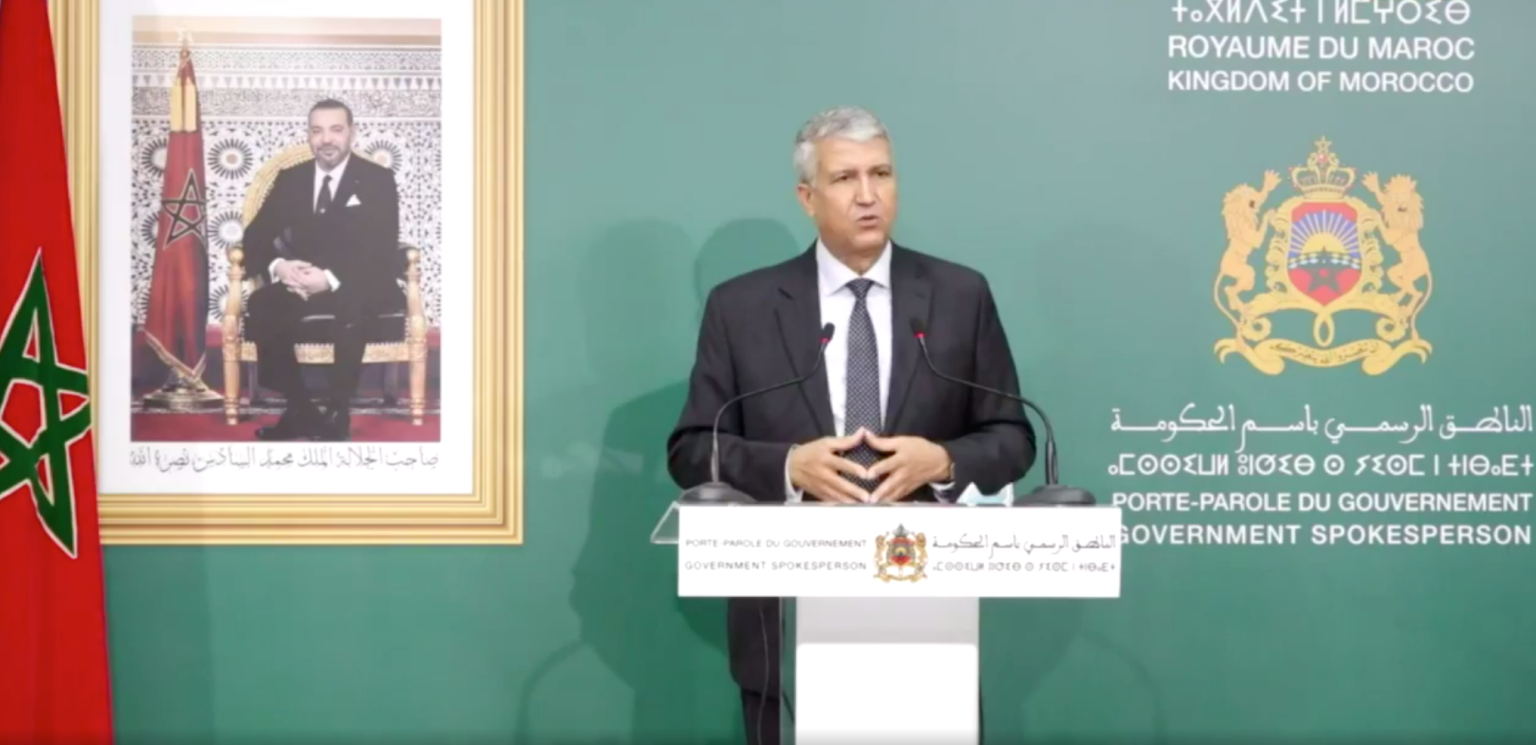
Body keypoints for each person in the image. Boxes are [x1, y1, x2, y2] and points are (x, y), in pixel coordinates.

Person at [666, 105, 1035, 744]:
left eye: (881, 173)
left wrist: (943, 462)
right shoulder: (741, 306)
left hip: (929, 615)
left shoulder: (960, 294)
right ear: (807, 198)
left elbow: (1012, 437)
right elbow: (693, 450)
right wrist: (789, 467)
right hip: (784, 615)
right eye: (845, 178)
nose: (868, 195)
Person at [240, 98, 402, 441]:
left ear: (352, 133)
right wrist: (281, 267)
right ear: (309, 135)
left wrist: (329, 279)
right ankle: (299, 408)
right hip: (301, 282)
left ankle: (337, 411)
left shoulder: (377, 179)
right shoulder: (291, 179)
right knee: (262, 304)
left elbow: (382, 248)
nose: (326, 139)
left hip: (359, 281)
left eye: (335, 129)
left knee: (352, 303)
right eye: (317, 131)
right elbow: (255, 236)